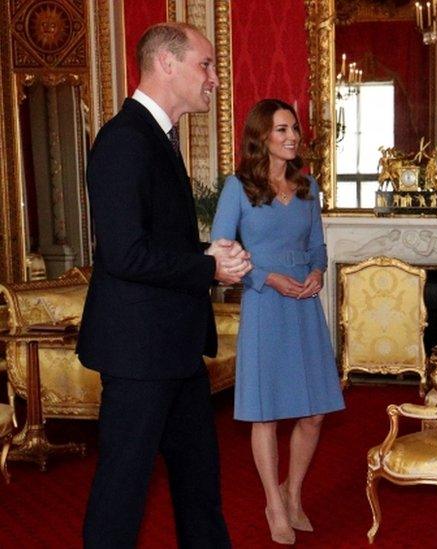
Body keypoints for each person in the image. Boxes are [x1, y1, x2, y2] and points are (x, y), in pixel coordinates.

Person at [78, 22, 249, 548]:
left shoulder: (159, 137)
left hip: (175, 350)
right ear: (166, 65)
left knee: (200, 489)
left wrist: (206, 254)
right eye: (207, 64)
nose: (215, 78)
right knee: (122, 495)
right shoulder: (124, 140)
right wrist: (208, 268)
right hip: (137, 355)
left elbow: (155, 241)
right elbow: (125, 253)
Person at [211, 99, 345, 545]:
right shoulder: (238, 187)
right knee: (265, 414)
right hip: (265, 303)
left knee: (314, 412)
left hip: (304, 305)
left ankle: (293, 491)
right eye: (281, 130)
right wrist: (267, 278)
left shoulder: (308, 186)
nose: (292, 137)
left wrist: (316, 273)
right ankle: (273, 501)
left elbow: (318, 247)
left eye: (294, 129)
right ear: (262, 136)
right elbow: (221, 251)